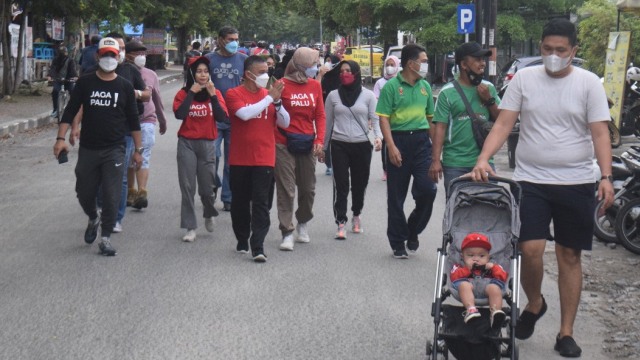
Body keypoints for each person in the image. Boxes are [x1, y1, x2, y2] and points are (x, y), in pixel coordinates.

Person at [470, 18, 614, 358]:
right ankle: (535, 303)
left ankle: (566, 332)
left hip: (577, 181)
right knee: (529, 250)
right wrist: (483, 158)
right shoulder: (524, 79)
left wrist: (606, 176)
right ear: (540, 48)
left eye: (560, 51)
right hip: (531, 180)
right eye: (547, 49)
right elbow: (504, 122)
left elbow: (600, 133)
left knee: (569, 255)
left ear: (573, 51)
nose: (553, 56)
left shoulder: (589, 83)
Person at [52, 37, 142, 256]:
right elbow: (70, 110)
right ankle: (93, 217)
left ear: (118, 57)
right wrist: (60, 139)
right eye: (106, 54)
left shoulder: (125, 86)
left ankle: (105, 238)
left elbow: (133, 120)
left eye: (113, 54)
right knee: (84, 191)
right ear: (97, 56)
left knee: (111, 195)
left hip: (115, 149)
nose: (109, 58)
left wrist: (138, 151)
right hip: (89, 148)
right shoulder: (86, 82)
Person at [225, 55, 291, 262]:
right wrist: (270, 98)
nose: (266, 75)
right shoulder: (233, 93)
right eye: (262, 72)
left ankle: (258, 245)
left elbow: (285, 123)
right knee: (240, 203)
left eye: (268, 71)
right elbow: (244, 114)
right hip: (240, 158)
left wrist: (278, 103)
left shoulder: (268, 95)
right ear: (248, 74)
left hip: (264, 157)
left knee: (262, 202)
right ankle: (242, 238)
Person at [375, 44, 437, 259]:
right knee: (396, 197)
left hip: (421, 142)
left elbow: (430, 119)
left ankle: (413, 229)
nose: (426, 65)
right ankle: (397, 240)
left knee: (428, 190)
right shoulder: (392, 87)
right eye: (424, 60)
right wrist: (390, 146)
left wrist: (437, 153)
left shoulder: (425, 87)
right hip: (398, 140)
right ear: (411, 63)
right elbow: (383, 117)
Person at [321, 60, 382, 239]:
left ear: (356, 73)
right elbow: (328, 123)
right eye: (342, 71)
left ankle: (356, 214)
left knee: (359, 183)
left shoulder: (368, 96)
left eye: (348, 71)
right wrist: (323, 147)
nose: (345, 74)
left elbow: (375, 119)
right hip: (339, 144)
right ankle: (341, 220)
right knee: (341, 185)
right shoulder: (333, 96)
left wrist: (379, 137)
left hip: (362, 144)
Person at [429, 42, 500, 195]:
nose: (482, 63)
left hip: (485, 162)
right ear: (463, 64)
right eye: (477, 59)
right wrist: (435, 161)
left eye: (483, 60)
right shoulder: (447, 92)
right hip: (455, 164)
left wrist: (489, 100)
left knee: (490, 210)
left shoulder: (489, 89)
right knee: (459, 211)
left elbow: (502, 122)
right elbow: (440, 128)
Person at [173, 56, 229, 242]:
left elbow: (221, 118)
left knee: (207, 188)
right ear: (192, 74)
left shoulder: (216, 93)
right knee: (187, 186)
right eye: (199, 71)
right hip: (187, 143)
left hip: (207, 143)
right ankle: (190, 227)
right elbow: (179, 114)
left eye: (206, 71)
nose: (203, 75)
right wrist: (191, 93)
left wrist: (212, 95)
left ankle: (208, 212)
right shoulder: (183, 93)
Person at [275, 47, 326, 251]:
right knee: (286, 189)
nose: (316, 68)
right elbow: (273, 112)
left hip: (307, 142)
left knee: (308, 188)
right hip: (283, 142)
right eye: (313, 65)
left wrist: (320, 140)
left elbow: (320, 115)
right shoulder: (281, 85)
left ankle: (303, 222)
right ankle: (287, 231)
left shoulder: (314, 86)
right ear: (301, 65)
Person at [205, 26, 249, 212]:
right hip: (214, 116)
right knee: (211, 156)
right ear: (220, 39)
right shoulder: (208, 60)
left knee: (232, 161)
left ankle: (228, 197)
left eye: (236, 39)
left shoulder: (244, 60)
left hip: (236, 117)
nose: (234, 42)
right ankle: (213, 184)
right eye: (230, 38)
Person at [124, 40, 168, 210]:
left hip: (146, 121)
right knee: (129, 159)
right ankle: (130, 191)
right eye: (137, 53)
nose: (141, 56)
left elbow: (156, 98)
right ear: (127, 55)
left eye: (143, 53)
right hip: (127, 122)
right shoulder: (121, 72)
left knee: (144, 156)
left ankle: (141, 192)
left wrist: (162, 120)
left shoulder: (151, 74)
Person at [450, 233, 507, 329]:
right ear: (462, 256)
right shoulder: (459, 266)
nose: (476, 259)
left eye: (481, 256)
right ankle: (471, 309)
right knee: (464, 285)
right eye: (470, 255)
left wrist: (493, 268)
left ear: (488, 257)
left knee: (494, 287)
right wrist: (467, 269)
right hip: (468, 288)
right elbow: (454, 276)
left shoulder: (493, 266)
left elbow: (503, 276)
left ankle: (496, 313)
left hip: (487, 289)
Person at [373, 55, 400, 181]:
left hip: (397, 120)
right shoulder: (380, 83)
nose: (389, 67)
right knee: (385, 146)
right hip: (383, 118)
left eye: (392, 64)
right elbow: (375, 100)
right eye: (387, 64)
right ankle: (386, 169)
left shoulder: (400, 82)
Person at [318, 53, 341, 176]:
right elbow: (317, 91)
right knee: (326, 137)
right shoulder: (325, 78)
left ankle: (339, 163)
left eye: (330, 61)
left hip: (340, 112)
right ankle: (329, 164)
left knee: (338, 139)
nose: (327, 63)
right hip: (325, 111)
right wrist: (320, 75)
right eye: (326, 60)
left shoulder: (341, 77)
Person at [48, 46, 78, 118]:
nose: (64, 54)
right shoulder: (55, 60)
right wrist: (50, 76)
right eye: (62, 52)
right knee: (55, 92)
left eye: (65, 52)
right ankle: (55, 109)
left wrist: (75, 77)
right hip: (58, 80)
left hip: (68, 80)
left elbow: (73, 70)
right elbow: (53, 69)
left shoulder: (70, 60)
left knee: (73, 92)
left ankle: (73, 110)